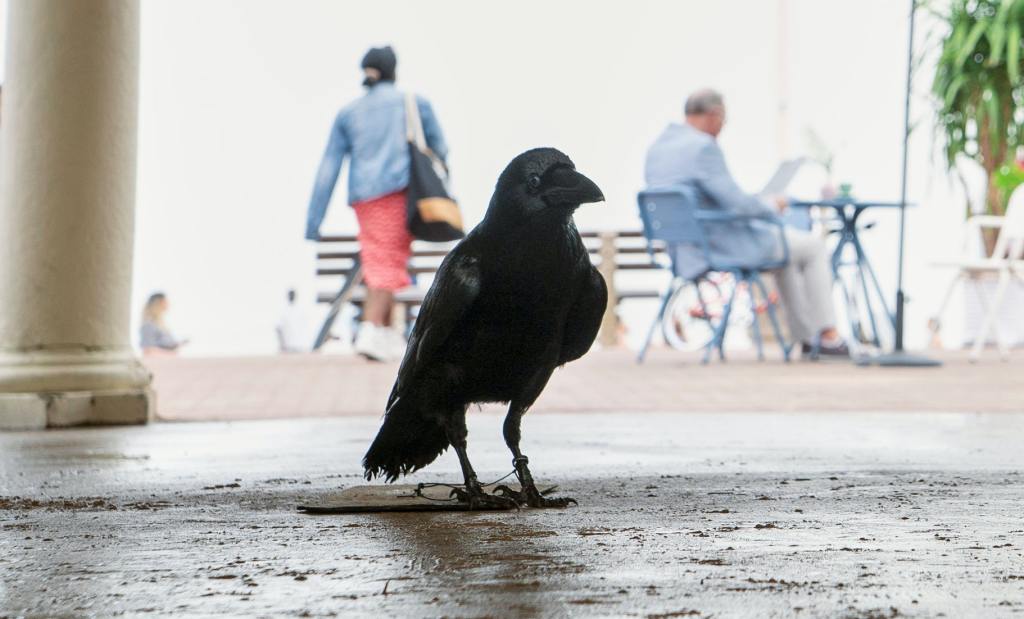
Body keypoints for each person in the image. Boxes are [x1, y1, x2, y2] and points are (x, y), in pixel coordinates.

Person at [644, 89, 849, 358]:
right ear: (715, 115)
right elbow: (738, 205)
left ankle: (809, 339)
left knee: (787, 256)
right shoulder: (703, 147)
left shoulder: (658, 148)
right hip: (720, 244)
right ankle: (827, 334)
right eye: (724, 121)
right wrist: (771, 204)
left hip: (681, 246)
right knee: (812, 247)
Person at [305, 45, 448, 362]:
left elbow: (329, 166)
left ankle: (383, 333)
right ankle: (371, 328)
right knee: (385, 261)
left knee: (387, 257)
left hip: (364, 198)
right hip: (400, 193)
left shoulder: (349, 112)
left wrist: (314, 220)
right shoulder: (413, 103)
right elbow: (440, 146)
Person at [139, 292, 186, 356]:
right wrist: (171, 353)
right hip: (158, 363)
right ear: (159, 303)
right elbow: (148, 351)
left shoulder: (161, 325)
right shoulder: (148, 325)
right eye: (166, 301)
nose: (169, 304)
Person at [275, 289, 309, 353]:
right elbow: (278, 329)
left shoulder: (300, 311)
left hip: (299, 347)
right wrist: (282, 345)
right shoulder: (284, 311)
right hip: (289, 347)